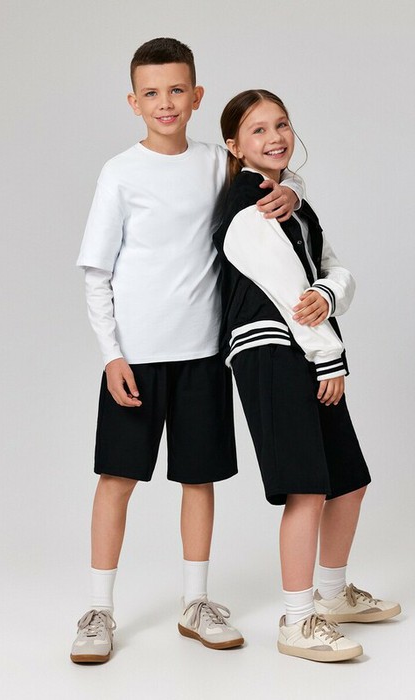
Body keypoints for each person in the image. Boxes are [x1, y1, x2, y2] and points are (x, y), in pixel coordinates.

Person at [71, 41, 304, 663]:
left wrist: (292, 195)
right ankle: (98, 609)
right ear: (134, 102)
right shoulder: (120, 173)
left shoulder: (216, 164)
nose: (165, 103)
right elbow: (96, 272)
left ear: (197, 96)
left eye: (177, 90)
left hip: (204, 352)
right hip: (136, 357)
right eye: (152, 93)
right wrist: (111, 355)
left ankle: (196, 602)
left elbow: (266, 179)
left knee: (199, 478)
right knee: (117, 478)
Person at [214, 89, 401, 662]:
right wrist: (329, 355)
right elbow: (287, 290)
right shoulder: (248, 206)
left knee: (348, 481)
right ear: (234, 146)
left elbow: (334, 271)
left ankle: (333, 594)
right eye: (258, 130)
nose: (275, 137)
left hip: (305, 348)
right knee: (307, 487)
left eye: (282, 124)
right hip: (270, 351)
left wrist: (329, 292)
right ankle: (297, 622)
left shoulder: (292, 202)